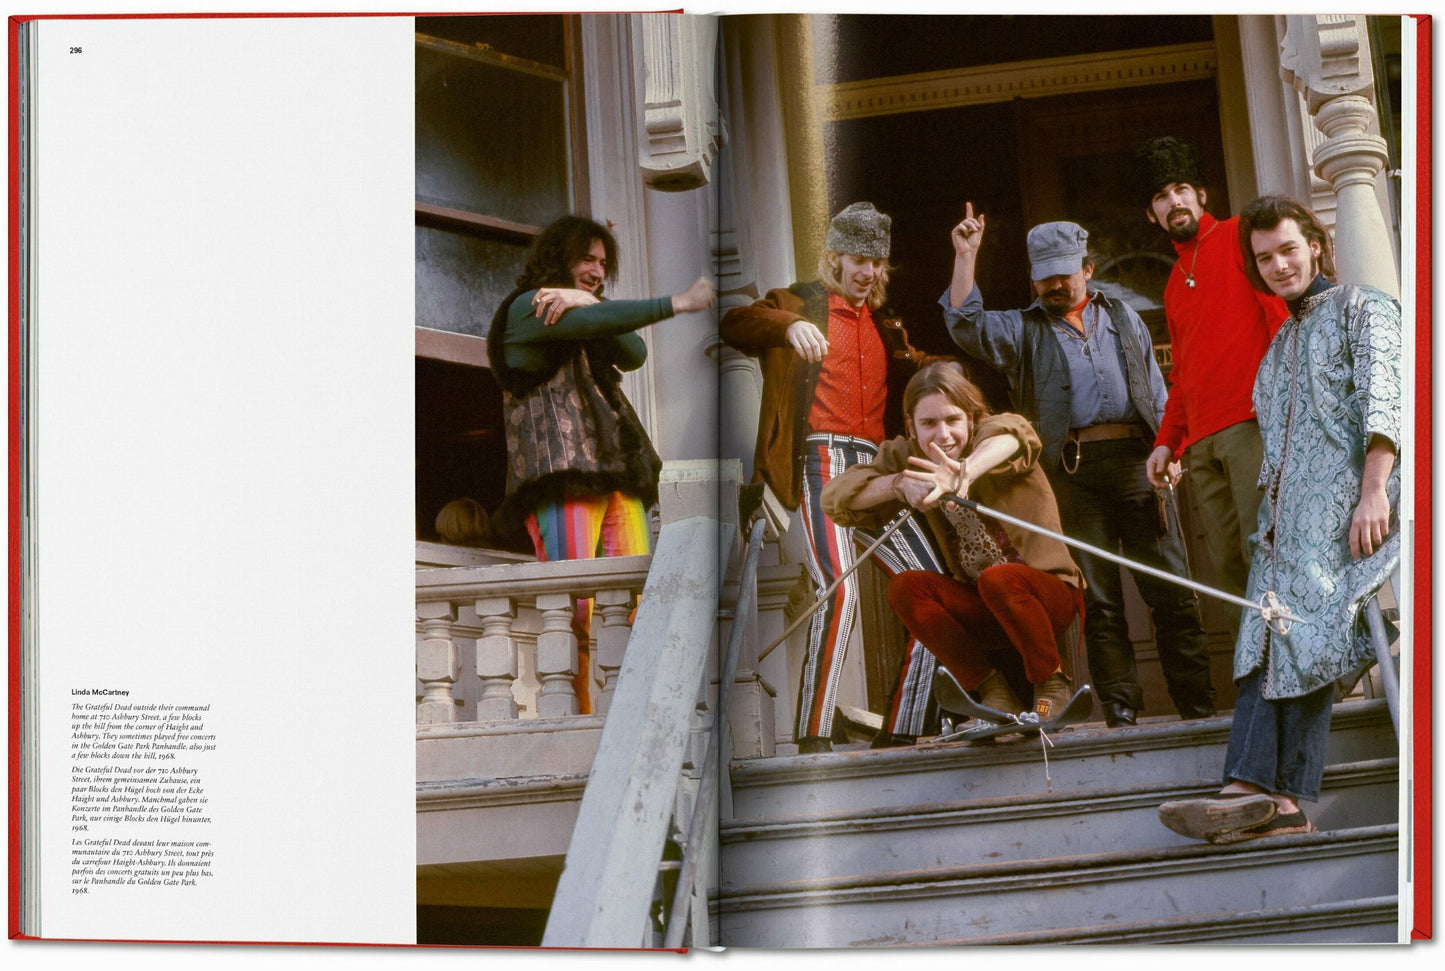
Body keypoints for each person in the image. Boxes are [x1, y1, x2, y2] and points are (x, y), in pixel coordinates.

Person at [1159, 196, 1402, 842]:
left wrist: (1374, 492)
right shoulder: (1279, 347)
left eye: (1288, 250)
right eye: (1263, 258)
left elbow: (1387, 400)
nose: (1278, 265)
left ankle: (1262, 790)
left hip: (1349, 513)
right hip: (1281, 528)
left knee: (1304, 628)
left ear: (1316, 245)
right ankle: (1264, 797)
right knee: (1263, 638)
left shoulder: (1363, 309)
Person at [942, 208, 1213, 727]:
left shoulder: (1123, 315)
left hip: (1139, 462)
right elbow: (965, 324)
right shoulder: (1021, 331)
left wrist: (1168, 448)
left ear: (1087, 269)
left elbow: (1157, 389)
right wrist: (966, 254)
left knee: (1171, 590)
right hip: (1071, 473)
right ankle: (1121, 711)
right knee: (1102, 602)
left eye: (1064, 273)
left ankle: (1198, 709)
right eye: (1043, 276)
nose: (1053, 285)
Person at [720, 202, 945, 753]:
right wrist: (791, 324)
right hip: (820, 461)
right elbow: (733, 324)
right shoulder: (799, 301)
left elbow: (923, 370)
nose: (868, 272)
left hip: (876, 468)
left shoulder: (886, 325)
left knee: (935, 591)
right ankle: (814, 736)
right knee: (839, 590)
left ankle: (903, 728)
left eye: (877, 262)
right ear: (834, 258)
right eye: (858, 259)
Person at [486, 214, 715, 714]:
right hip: (561, 480)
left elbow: (631, 350)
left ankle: (630, 711)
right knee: (577, 610)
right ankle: (581, 717)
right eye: (586, 259)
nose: (596, 270)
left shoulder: (583, 309)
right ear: (557, 260)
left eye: (602, 264)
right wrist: (677, 303)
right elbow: (592, 322)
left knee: (633, 604)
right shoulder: (531, 306)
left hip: (617, 480)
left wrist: (589, 298)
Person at [821, 362, 1084, 720]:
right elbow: (835, 498)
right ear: (911, 426)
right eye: (929, 423)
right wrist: (898, 484)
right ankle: (993, 694)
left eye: (952, 420)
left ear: (972, 420)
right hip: (987, 607)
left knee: (999, 578)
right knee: (907, 588)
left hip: (1048, 597)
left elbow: (1016, 434)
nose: (942, 435)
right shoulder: (907, 454)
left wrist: (966, 469)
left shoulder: (989, 434)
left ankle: (1052, 687)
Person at [1136, 136, 1288, 600]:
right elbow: (1182, 376)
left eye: (1181, 188)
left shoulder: (1242, 234)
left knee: (1269, 557)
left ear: (1201, 195)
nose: (1173, 201)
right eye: (1161, 196)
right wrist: (1167, 443)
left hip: (1252, 426)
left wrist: (1288, 410)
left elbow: (1282, 322)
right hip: (1201, 446)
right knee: (1228, 572)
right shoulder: (1171, 285)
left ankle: (1300, 673)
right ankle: (1257, 674)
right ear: (1152, 214)